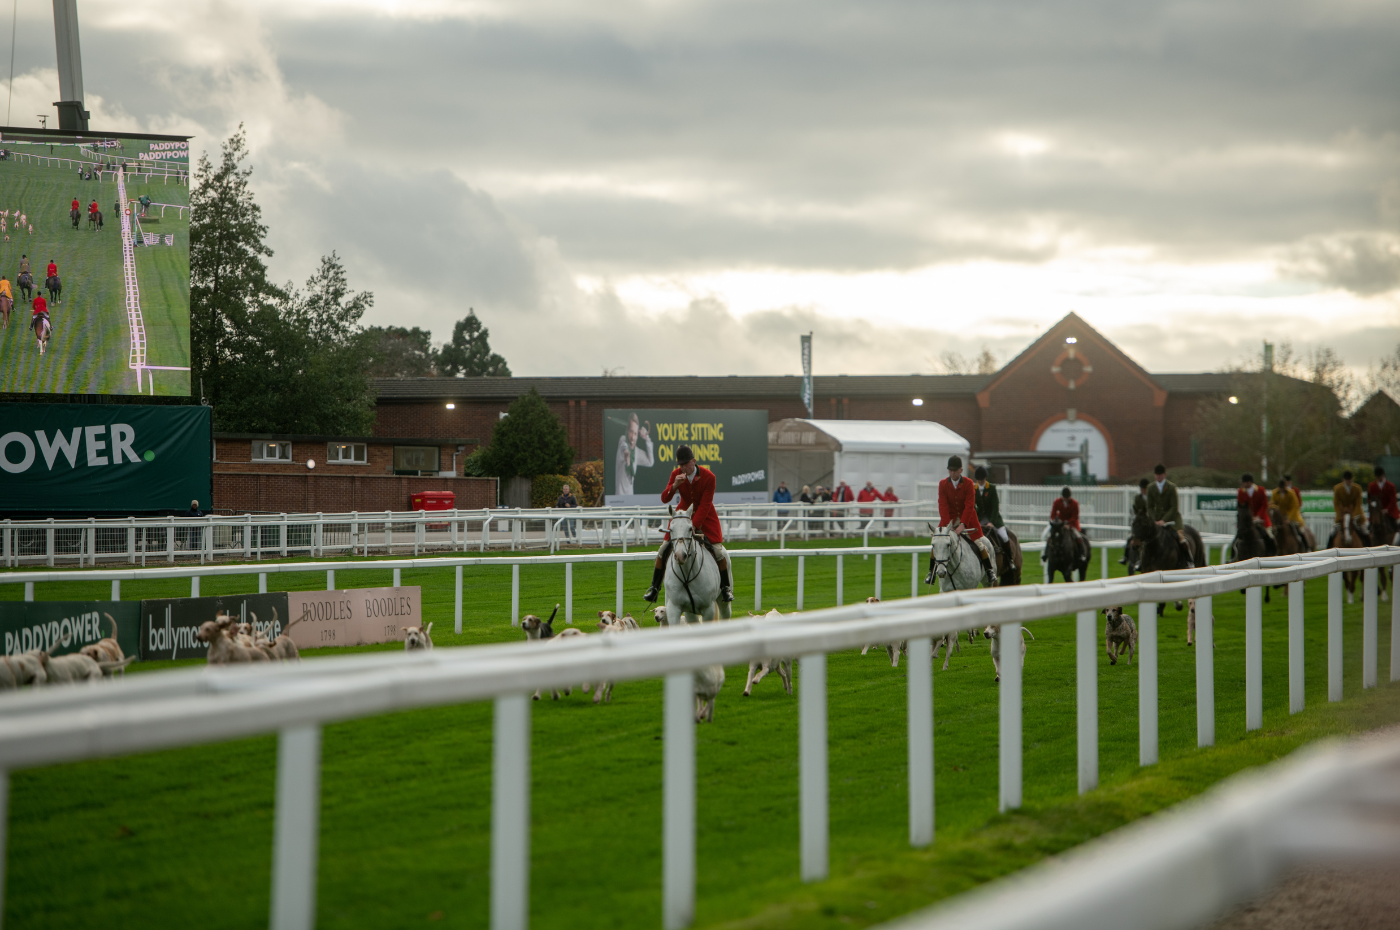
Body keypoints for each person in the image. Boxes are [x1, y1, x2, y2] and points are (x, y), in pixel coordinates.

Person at [643, 445, 733, 603]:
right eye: (681, 465)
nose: (683, 468)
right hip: (682, 516)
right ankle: (654, 589)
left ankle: (725, 588)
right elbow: (664, 498)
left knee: (719, 552)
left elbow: (705, 505)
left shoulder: (709, 477)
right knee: (663, 550)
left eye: (686, 464)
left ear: (694, 461)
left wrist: (693, 526)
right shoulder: (676, 474)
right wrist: (674, 486)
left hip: (706, 517)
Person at [931, 455, 997, 587]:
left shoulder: (968, 483)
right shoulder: (942, 484)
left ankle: (989, 570)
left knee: (980, 544)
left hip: (968, 520)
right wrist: (948, 526)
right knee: (938, 543)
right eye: (950, 470)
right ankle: (931, 573)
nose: (952, 473)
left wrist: (963, 524)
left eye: (955, 470)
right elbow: (942, 505)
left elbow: (969, 505)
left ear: (961, 470)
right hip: (949, 521)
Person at [1146, 464, 1194, 566]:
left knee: (1180, 538)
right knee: (1146, 538)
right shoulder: (1150, 488)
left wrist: (1164, 520)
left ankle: (1187, 559)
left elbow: (1174, 507)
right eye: (1157, 475)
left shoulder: (1171, 487)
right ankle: (1142, 561)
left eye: (1160, 475)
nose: (1158, 477)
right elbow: (1149, 507)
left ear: (1164, 475)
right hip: (1157, 520)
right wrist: (1155, 520)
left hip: (1172, 519)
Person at [973, 467, 1009, 565]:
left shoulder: (991, 488)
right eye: (978, 480)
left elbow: (995, 506)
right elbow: (972, 505)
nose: (980, 482)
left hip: (993, 518)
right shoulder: (973, 489)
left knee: (1004, 537)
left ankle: (1010, 560)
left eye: (982, 479)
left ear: (985, 478)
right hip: (980, 518)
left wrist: (991, 522)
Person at [613, 412, 653, 496]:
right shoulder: (622, 439)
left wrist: (647, 439)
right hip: (619, 500)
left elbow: (650, 462)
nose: (632, 437)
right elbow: (623, 446)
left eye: (635, 433)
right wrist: (626, 453)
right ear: (627, 431)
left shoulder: (637, 452)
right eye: (631, 432)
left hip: (631, 499)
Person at [1328, 470, 1369, 547]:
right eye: (1347, 480)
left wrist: (1355, 515)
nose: (1348, 482)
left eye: (1350, 480)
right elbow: (1336, 503)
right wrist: (1339, 515)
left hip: (1355, 515)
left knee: (1365, 531)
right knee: (1332, 532)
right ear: (1343, 480)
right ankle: (1328, 548)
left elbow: (1358, 504)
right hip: (1341, 514)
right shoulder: (1337, 488)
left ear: (1352, 479)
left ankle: (1369, 548)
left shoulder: (1357, 488)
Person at [1041, 486, 1082, 562]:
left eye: (1067, 498)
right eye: (1064, 498)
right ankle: (1045, 554)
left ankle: (1081, 555)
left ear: (1070, 497)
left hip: (1072, 524)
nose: (1066, 499)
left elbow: (1075, 517)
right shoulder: (1057, 502)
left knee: (1078, 537)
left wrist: (1067, 524)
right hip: (1059, 524)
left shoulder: (1075, 503)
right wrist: (1057, 523)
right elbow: (1053, 515)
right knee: (1050, 536)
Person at [1121, 477, 1151, 567]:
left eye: (1144, 489)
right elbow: (1136, 509)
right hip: (1141, 521)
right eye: (1142, 489)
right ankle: (1125, 556)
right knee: (1130, 537)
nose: (1143, 491)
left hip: (1150, 521)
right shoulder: (1138, 498)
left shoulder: (1152, 497)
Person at [1271, 477, 1307, 550]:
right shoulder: (1275, 493)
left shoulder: (1291, 493)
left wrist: (1289, 519)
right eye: (1280, 488)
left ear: (1285, 486)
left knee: (1299, 529)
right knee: (1273, 530)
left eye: (1283, 488)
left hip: (1291, 515)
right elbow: (1272, 504)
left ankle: (1305, 545)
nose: (1281, 490)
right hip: (1280, 516)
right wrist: (1276, 508)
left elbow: (1295, 506)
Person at [1238, 474, 1273, 541]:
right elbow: (1241, 507)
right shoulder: (1240, 492)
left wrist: (1258, 516)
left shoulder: (1261, 490)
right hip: (1247, 520)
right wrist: (1249, 517)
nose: (1242, 484)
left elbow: (1264, 505)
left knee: (1270, 535)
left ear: (1249, 482)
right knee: (1239, 538)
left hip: (1261, 519)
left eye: (1243, 482)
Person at [1371, 467, 1399, 545]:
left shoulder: (1391, 486)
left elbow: (1393, 501)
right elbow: (1371, 500)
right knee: (1369, 526)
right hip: (1377, 512)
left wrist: (1386, 510)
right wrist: (1375, 509)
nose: (1378, 478)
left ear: (1383, 475)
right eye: (1377, 477)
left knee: (1396, 525)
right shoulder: (1372, 486)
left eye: (1379, 476)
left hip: (1390, 512)